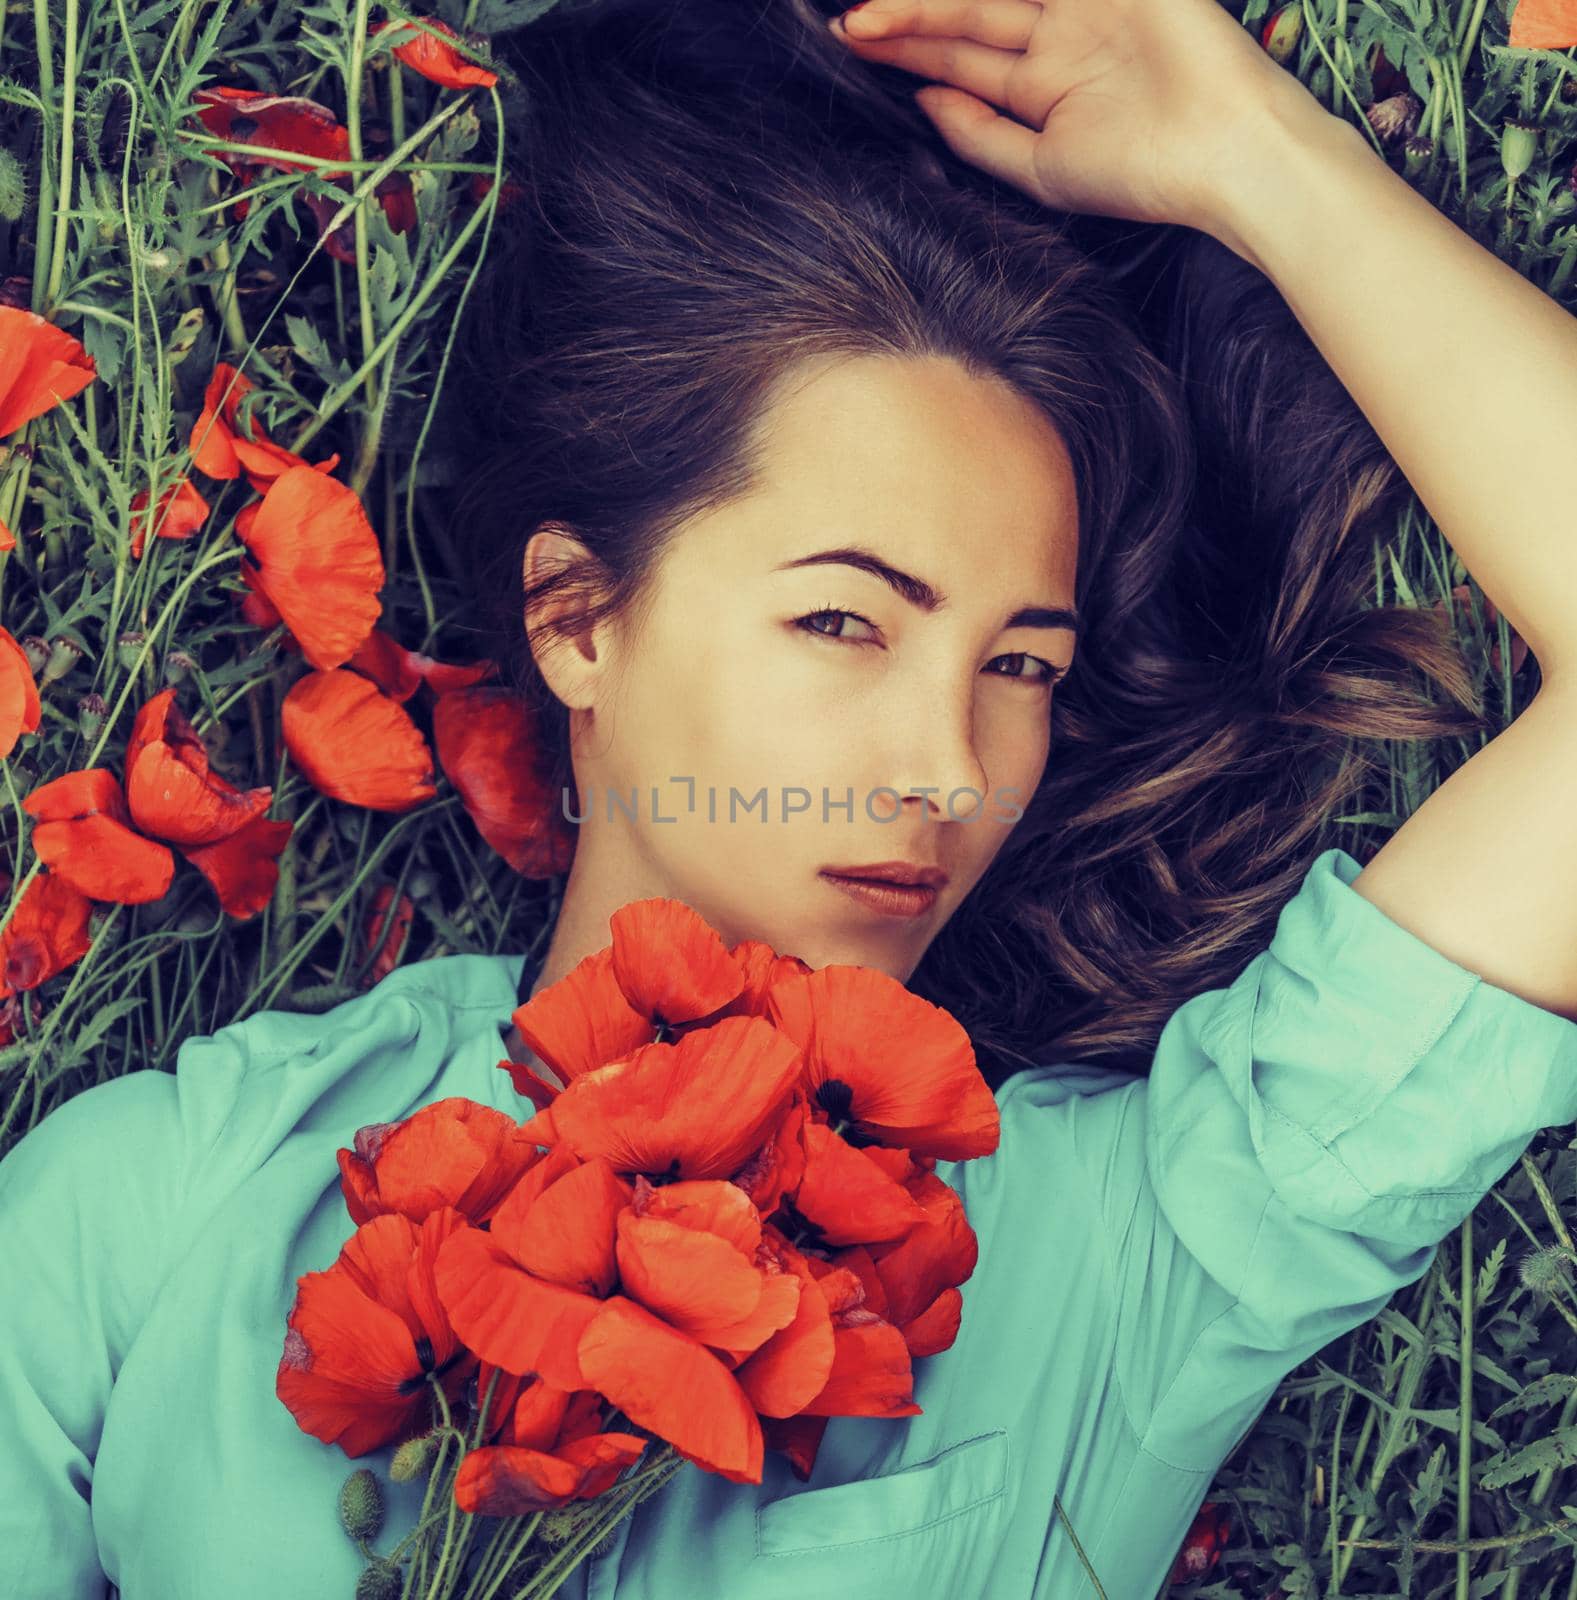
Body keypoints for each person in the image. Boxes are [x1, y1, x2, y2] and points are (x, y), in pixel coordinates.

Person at [6, 0, 1577, 1596]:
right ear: (576, 620)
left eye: (1021, 666)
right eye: (844, 621)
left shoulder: (1120, 1257)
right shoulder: (162, 1198)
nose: (951, 766)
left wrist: (1260, 158)